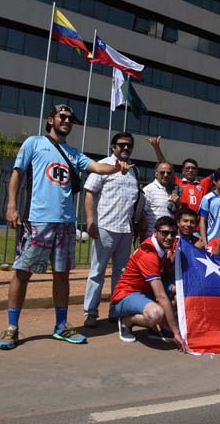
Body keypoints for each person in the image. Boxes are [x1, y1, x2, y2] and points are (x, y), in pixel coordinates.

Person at [0, 105, 131, 350]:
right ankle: (12, 327)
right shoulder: (34, 143)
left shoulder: (73, 153)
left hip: (66, 224)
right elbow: (16, 174)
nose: (68, 121)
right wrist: (11, 206)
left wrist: (117, 167)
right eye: (63, 117)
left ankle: (61, 326)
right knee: (22, 272)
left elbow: (99, 168)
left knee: (62, 275)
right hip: (37, 221)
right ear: (51, 120)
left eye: (71, 119)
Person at [83, 132, 140, 328]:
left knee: (121, 274)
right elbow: (89, 193)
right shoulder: (103, 166)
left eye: (129, 145)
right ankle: (90, 312)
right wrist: (90, 221)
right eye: (121, 145)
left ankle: (115, 311)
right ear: (113, 147)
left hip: (125, 230)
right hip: (105, 227)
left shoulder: (135, 171)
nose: (125, 148)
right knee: (97, 272)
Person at [109, 216, 188, 352]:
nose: (169, 237)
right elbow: (160, 296)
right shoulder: (149, 254)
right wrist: (176, 333)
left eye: (173, 234)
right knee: (156, 313)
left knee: (178, 291)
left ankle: (155, 328)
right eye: (164, 233)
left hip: (144, 291)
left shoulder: (161, 247)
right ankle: (127, 321)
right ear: (155, 232)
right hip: (126, 295)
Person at [147, 136, 220, 213]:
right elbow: (164, 165)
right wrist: (157, 148)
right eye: (187, 168)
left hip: (197, 230)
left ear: (197, 171)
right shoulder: (177, 182)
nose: (190, 170)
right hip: (180, 226)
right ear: (183, 171)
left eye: (193, 168)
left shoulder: (202, 184)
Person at [142, 161, 180, 238]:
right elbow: (142, 215)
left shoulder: (173, 191)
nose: (166, 175)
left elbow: (176, 217)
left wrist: (178, 205)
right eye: (162, 172)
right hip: (152, 237)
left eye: (169, 173)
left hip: (168, 238)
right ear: (156, 173)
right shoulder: (148, 190)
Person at [198, 167, 220, 244]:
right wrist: (204, 241)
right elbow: (202, 221)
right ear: (215, 181)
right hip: (210, 240)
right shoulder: (207, 198)